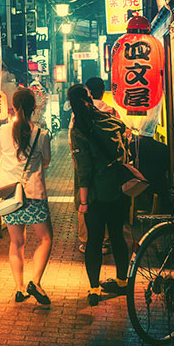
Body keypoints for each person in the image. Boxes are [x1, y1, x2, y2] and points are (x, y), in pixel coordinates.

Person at [68, 83, 131, 306]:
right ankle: (122, 282)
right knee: (117, 236)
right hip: (119, 191)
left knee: (94, 242)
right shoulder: (111, 120)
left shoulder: (79, 129)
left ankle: (94, 289)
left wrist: (83, 201)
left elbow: (84, 171)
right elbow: (126, 143)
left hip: (95, 196)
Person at [0, 88, 53, 305]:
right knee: (45, 239)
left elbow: (1, 155)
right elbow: (46, 161)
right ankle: (35, 282)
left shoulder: (3, 131)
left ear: (13, 106)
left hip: (10, 195)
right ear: (34, 107)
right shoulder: (42, 134)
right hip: (33, 194)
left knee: (16, 242)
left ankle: (19, 288)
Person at [70, 77, 117, 255]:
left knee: (85, 202)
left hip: (85, 164)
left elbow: (74, 143)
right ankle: (105, 240)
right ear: (102, 91)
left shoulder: (78, 115)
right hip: (107, 168)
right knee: (105, 204)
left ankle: (87, 240)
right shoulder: (109, 111)